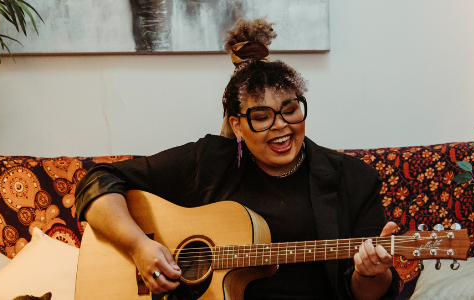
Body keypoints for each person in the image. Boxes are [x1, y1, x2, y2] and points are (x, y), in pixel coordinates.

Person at [74, 18, 399, 300]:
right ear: (237, 125)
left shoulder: (354, 180)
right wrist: (138, 247)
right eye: (262, 117)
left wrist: (371, 273)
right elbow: (97, 180)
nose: (282, 126)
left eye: (290, 110)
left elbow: (370, 295)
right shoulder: (209, 162)